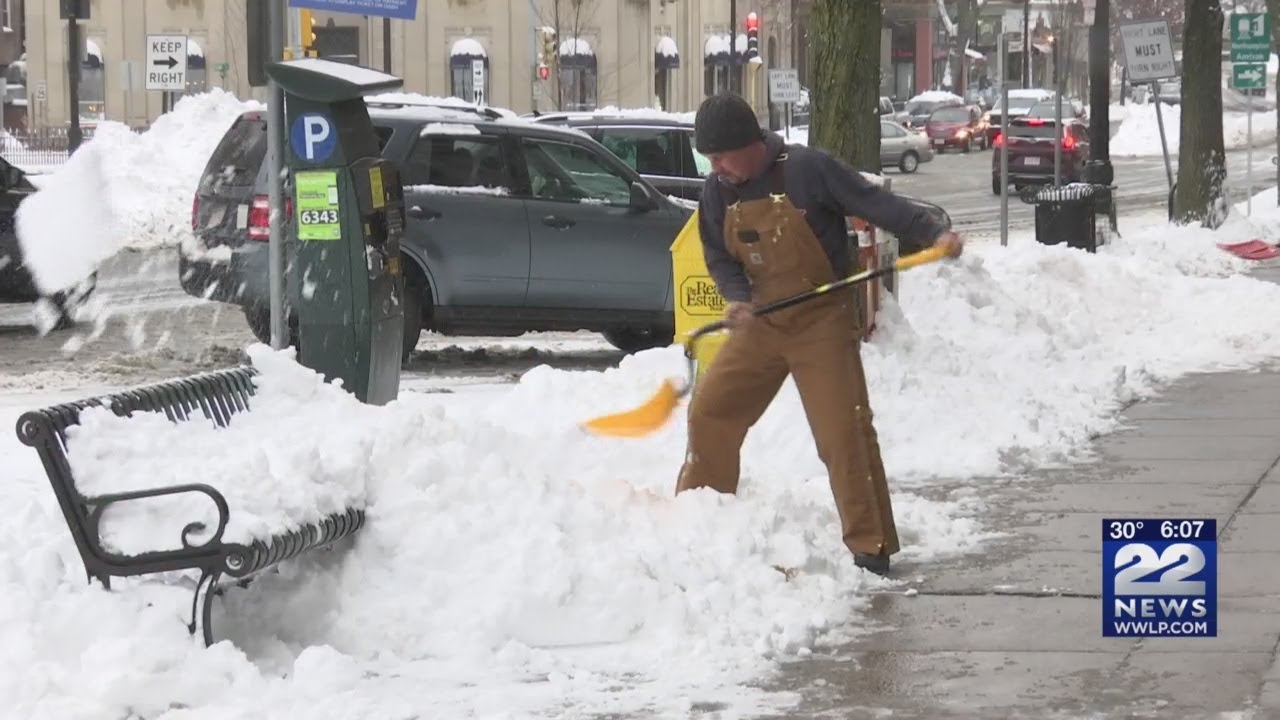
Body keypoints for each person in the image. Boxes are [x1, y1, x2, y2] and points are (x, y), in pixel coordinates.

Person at [675, 93, 964, 577]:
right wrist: (736, 295)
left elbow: (877, 204)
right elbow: (717, 252)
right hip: (762, 319)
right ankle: (702, 519)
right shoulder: (717, 191)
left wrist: (932, 230)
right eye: (710, 158)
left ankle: (870, 544)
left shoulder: (808, 170)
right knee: (711, 410)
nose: (717, 167)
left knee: (842, 432)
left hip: (820, 321)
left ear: (751, 144)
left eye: (722, 155)